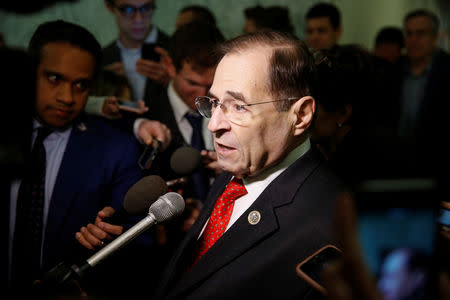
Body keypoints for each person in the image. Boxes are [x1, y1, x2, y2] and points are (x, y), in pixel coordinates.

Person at [152, 29, 347, 299]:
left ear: (300, 115)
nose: (214, 124)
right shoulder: (235, 174)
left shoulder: (333, 226)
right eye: (216, 103)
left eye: (239, 107)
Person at [6, 19, 170, 297]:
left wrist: (110, 243)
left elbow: (141, 244)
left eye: (81, 85)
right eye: (55, 79)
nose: (67, 97)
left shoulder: (116, 150)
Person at [396, 9, 450, 179]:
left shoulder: (447, 72)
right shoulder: (393, 72)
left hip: (437, 169)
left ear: (434, 37)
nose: (413, 39)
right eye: (409, 33)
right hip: (397, 166)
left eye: (420, 33)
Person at [102, 0, 170, 106]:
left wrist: (174, 84)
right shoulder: (102, 59)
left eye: (146, 8)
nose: (138, 19)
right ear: (109, 6)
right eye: (127, 9)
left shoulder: (176, 49)